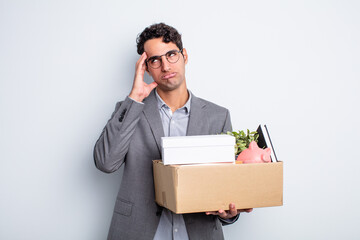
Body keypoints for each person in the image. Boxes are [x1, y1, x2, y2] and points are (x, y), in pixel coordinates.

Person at [93, 23, 252, 240]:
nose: (166, 66)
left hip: (197, 231)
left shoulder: (218, 116)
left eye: (171, 55)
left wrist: (229, 213)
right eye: (155, 60)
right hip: (139, 231)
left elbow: (226, 185)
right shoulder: (129, 109)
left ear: (184, 55)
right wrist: (135, 98)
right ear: (146, 67)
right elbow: (105, 163)